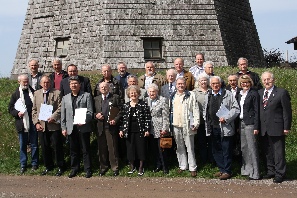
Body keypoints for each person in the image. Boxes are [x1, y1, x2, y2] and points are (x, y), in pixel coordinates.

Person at [259, 71, 292, 183]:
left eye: (268, 79)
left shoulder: (281, 93)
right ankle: (271, 171)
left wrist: (286, 127)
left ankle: (280, 173)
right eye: (264, 80)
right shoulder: (260, 93)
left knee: (278, 152)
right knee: (267, 151)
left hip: (277, 126)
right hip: (264, 127)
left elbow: (287, 111)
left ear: (273, 80)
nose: (266, 81)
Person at [204, 76, 240, 180]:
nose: (215, 85)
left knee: (226, 149)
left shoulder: (227, 94)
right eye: (213, 83)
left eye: (217, 83)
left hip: (225, 127)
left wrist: (227, 117)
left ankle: (227, 171)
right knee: (216, 149)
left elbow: (236, 109)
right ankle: (222, 169)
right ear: (210, 85)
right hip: (212, 127)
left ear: (220, 84)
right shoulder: (208, 95)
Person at [61, 76, 93, 178]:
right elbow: (63, 114)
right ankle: (74, 168)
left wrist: (84, 120)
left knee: (85, 149)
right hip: (71, 127)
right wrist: (63, 127)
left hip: (83, 127)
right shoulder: (65, 98)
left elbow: (90, 111)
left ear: (80, 85)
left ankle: (87, 169)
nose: (74, 85)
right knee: (73, 150)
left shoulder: (86, 96)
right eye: (72, 84)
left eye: (76, 83)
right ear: (69, 86)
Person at [32, 75, 65, 176]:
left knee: (57, 146)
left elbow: (60, 107)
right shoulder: (36, 93)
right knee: (45, 147)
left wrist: (54, 117)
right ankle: (48, 166)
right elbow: (34, 110)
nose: (46, 84)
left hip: (53, 124)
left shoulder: (57, 92)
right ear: (41, 84)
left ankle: (60, 166)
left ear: (50, 83)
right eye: (44, 82)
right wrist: (36, 123)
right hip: (42, 125)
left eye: (47, 82)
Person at [8, 74, 39, 173]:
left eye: (27, 81)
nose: (26, 83)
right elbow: (10, 108)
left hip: (33, 120)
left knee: (34, 144)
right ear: (19, 82)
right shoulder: (16, 94)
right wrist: (17, 113)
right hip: (22, 122)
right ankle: (23, 164)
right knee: (22, 144)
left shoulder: (33, 92)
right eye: (24, 81)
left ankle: (34, 163)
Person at [170, 77, 200, 177]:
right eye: (178, 84)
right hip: (176, 125)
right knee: (179, 147)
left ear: (185, 85)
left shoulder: (191, 95)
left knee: (190, 147)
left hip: (187, 125)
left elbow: (195, 109)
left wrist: (196, 123)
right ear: (176, 85)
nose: (180, 85)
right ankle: (182, 165)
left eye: (182, 84)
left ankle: (192, 167)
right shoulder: (173, 95)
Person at [119, 85, 151, 176]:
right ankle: (132, 167)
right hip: (129, 130)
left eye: (135, 93)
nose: (133, 94)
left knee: (141, 149)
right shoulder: (126, 105)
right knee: (130, 149)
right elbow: (122, 119)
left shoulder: (143, 104)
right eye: (131, 93)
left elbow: (147, 118)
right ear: (129, 94)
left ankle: (141, 167)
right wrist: (121, 129)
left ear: (138, 94)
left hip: (140, 130)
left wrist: (147, 129)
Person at [94, 82, 122, 177]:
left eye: (105, 87)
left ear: (109, 88)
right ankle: (103, 167)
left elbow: (121, 111)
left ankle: (115, 167)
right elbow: (92, 112)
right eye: (102, 87)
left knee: (112, 148)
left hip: (111, 126)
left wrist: (115, 120)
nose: (103, 88)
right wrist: (96, 115)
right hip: (100, 127)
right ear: (99, 89)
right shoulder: (96, 99)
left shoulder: (115, 97)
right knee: (102, 149)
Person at [237, 75, 260, 180]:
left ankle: (255, 173)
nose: (245, 84)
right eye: (242, 83)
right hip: (241, 122)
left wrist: (256, 126)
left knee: (252, 148)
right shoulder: (240, 94)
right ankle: (247, 170)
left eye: (246, 82)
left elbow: (257, 111)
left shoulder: (254, 94)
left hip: (250, 124)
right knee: (244, 147)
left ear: (250, 83)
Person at [145, 84, 170, 174]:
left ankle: (165, 167)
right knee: (154, 149)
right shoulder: (146, 100)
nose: (152, 93)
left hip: (160, 128)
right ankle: (157, 165)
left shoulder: (162, 100)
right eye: (150, 92)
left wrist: (165, 128)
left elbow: (166, 116)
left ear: (157, 92)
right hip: (150, 128)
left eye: (153, 91)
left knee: (162, 149)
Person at [193, 73, 213, 164]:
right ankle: (204, 160)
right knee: (202, 141)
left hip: (210, 121)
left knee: (211, 141)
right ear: (199, 82)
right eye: (202, 80)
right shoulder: (194, 92)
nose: (203, 82)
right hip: (200, 121)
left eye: (205, 80)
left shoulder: (211, 91)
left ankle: (211, 159)